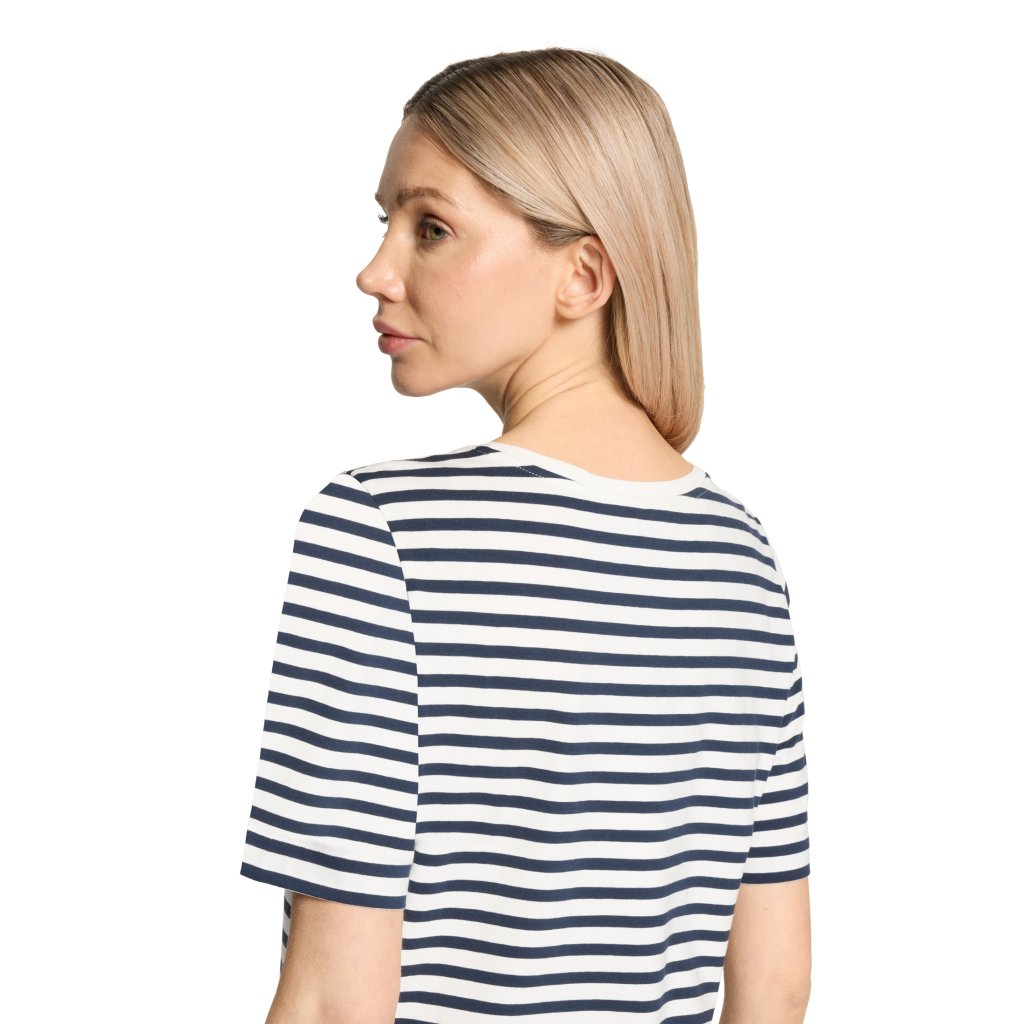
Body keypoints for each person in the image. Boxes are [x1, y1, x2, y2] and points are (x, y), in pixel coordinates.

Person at [239, 46, 812, 1024]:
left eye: (431, 228)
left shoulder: (382, 535)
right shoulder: (740, 557)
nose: (375, 271)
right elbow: (775, 984)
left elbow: (336, 998)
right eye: (385, 224)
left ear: (582, 273)